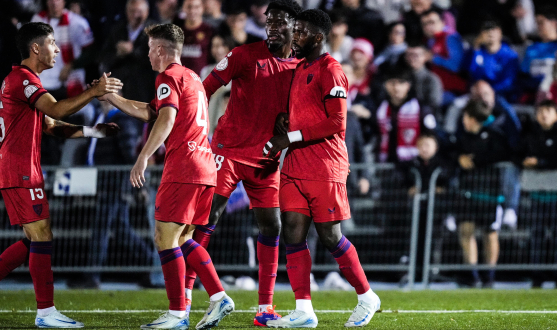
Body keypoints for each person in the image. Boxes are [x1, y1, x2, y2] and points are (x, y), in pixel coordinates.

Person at [98, 23, 234, 329]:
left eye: (149, 48)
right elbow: (153, 111)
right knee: (183, 238)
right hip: (205, 166)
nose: (147, 54)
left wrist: (142, 157)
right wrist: (113, 99)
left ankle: (177, 314)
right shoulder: (192, 78)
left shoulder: (168, 76)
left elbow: (167, 118)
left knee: (164, 237)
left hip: (184, 165)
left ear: (160, 50)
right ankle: (218, 297)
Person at [263, 9, 381, 328]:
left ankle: (367, 296)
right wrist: (286, 121)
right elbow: (304, 111)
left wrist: (292, 135)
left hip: (325, 164)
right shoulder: (300, 68)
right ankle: (304, 309)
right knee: (292, 231)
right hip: (295, 162)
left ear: (317, 37)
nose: (294, 37)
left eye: (300, 31)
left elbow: (338, 121)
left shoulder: (332, 70)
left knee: (330, 235)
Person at [0, 22, 122, 328]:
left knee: (34, 240)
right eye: (52, 43)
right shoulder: (23, 80)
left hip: (24, 170)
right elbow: (58, 111)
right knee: (42, 236)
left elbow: (53, 127)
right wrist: (93, 91)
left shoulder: (27, 83)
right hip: (20, 171)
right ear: (36, 48)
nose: (57, 49)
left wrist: (94, 131)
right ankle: (46, 312)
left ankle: (46, 311)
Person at [193, 1, 303, 326]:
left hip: (265, 160)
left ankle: (264, 308)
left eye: (280, 21)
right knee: (204, 220)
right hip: (226, 152)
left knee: (273, 227)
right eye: (269, 20)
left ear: (295, 27)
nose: (272, 26)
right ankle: (185, 301)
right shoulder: (244, 54)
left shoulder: (301, 68)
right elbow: (205, 88)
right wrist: (194, 129)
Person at [452, 100, 511, 288]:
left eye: (465, 117)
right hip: (467, 192)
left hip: (490, 194)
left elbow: (504, 153)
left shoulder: (496, 135)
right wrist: (458, 158)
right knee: (466, 230)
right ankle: (473, 274)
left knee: (490, 233)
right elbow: (450, 152)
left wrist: (476, 160)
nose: (463, 121)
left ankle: (489, 275)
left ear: (472, 118)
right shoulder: (463, 137)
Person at [516, 100, 557, 286]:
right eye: (540, 111)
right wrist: (523, 161)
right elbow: (515, 154)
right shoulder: (529, 134)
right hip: (536, 194)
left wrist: (540, 163)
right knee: (536, 236)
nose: (544, 115)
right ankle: (537, 275)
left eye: (548, 110)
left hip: (555, 193)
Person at [373, 65, 437, 163]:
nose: (396, 87)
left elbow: (431, 135)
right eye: (392, 83)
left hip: (413, 164)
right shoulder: (380, 108)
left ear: (408, 85)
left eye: (401, 83)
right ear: (385, 85)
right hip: (384, 165)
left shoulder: (421, 108)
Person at [31, 0, 94, 100]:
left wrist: (72, 65)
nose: (54, 3)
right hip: (42, 81)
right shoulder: (37, 20)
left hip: (68, 82)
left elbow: (91, 53)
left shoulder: (77, 23)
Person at [99, 0, 158, 103]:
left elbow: (155, 59)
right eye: (132, 11)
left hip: (144, 87)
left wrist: (132, 51)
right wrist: (118, 53)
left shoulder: (155, 31)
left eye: (139, 12)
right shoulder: (117, 30)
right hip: (120, 86)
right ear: (126, 11)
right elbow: (104, 57)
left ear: (147, 12)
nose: (135, 15)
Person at [465, 20, 520, 101]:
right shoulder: (476, 51)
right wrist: (476, 48)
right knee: (456, 106)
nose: (490, 33)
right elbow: (471, 72)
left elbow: (509, 82)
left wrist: (490, 91)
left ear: (500, 33)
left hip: (501, 95)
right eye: (486, 30)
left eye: (494, 29)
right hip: (477, 94)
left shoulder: (509, 55)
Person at [421, 8, 467, 102]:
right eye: (425, 24)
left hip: (453, 91)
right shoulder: (427, 41)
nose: (428, 27)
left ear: (442, 22)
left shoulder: (450, 37)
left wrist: (433, 58)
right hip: (435, 89)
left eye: (432, 22)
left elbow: (456, 66)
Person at [520, 6, 557, 103]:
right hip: (534, 91)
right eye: (536, 23)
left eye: (541, 23)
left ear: (553, 23)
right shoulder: (531, 48)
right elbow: (524, 73)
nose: (538, 27)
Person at [175, 0, 215, 75]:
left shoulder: (210, 31)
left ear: (202, 8)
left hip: (202, 81)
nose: (192, 11)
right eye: (189, 7)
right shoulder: (176, 32)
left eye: (196, 7)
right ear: (183, 8)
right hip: (181, 80)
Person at [404, 42, 443, 115]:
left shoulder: (432, 79)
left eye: (416, 55)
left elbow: (434, 105)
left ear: (425, 57)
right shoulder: (402, 77)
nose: (412, 58)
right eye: (409, 55)